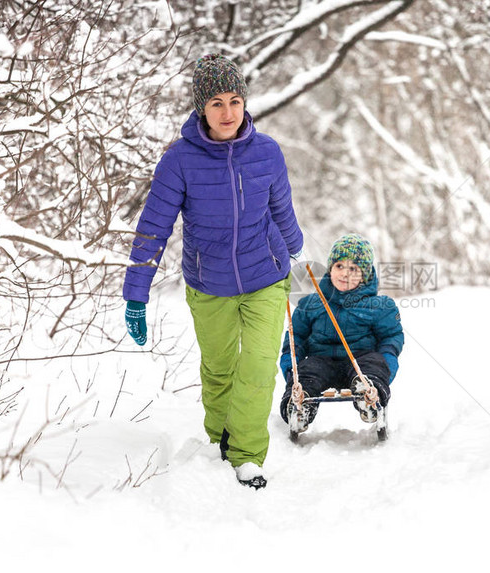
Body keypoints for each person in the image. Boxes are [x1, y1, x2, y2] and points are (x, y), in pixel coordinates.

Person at [123, 54, 303, 490]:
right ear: (201, 107)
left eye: (236, 101)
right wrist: (136, 292)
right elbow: (154, 227)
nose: (228, 112)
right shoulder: (179, 161)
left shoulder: (267, 151)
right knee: (220, 368)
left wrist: (296, 248)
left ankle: (246, 455)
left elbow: (281, 208)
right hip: (210, 283)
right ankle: (221, 438)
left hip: (266, 274)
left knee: (260, 366)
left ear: (245, 103)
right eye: (218, 103)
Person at [279, 234, 403, 431]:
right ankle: (301, 405)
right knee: (307, 370)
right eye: (339, 266)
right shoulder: (310, 304)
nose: (345, 273)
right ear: (330, 269)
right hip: (321, 360)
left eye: (353, 268)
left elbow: (390, 338)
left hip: (360, 361)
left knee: (373, 363)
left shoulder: (380, 306)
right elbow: (296, 339)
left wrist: (387, 363)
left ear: (365, 275)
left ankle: (369, 396)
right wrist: (291, 369)